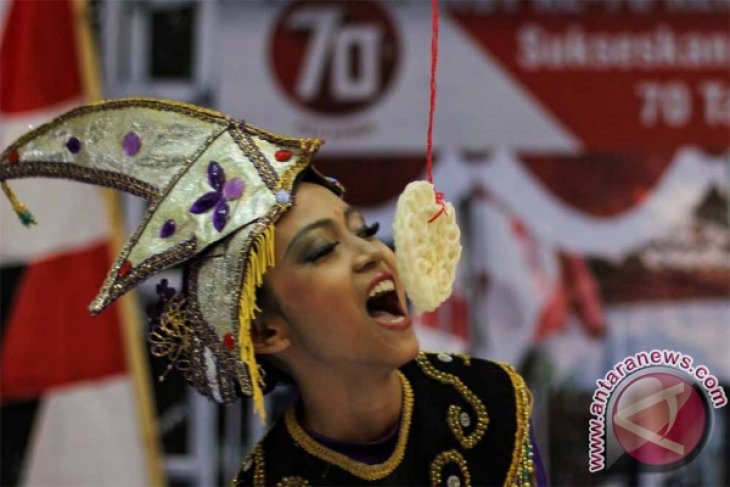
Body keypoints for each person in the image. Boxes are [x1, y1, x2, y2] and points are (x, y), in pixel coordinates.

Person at [1, 99, 543, 486]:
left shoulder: (485, 400)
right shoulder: (271, 478)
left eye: (364, 230)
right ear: (265, 331)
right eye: (322, 250)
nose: (374, 254)